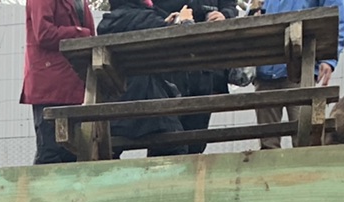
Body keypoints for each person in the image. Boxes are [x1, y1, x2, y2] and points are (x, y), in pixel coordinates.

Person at [97, 0, 232, 158]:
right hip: (154, 93)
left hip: (137, 100)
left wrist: (225, 14)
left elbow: (150, 23)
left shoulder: (121, 17)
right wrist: (183, 22)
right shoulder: (139, 17)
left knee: (186, 141)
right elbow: (177, 35)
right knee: (176, 144)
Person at [252, 0, 344, 147]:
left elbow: (337, 16)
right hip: (266, 74)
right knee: (268, 144)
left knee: (304, 139)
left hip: (301, 71)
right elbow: (253, 12)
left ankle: (303, 169)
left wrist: (329, 59)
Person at [22, 0, 96, 165]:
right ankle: (42, 188)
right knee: (51, 151)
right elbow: (44, 33)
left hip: (72, 81)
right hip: (51, 83)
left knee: (71, 150)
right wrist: (80, 33)